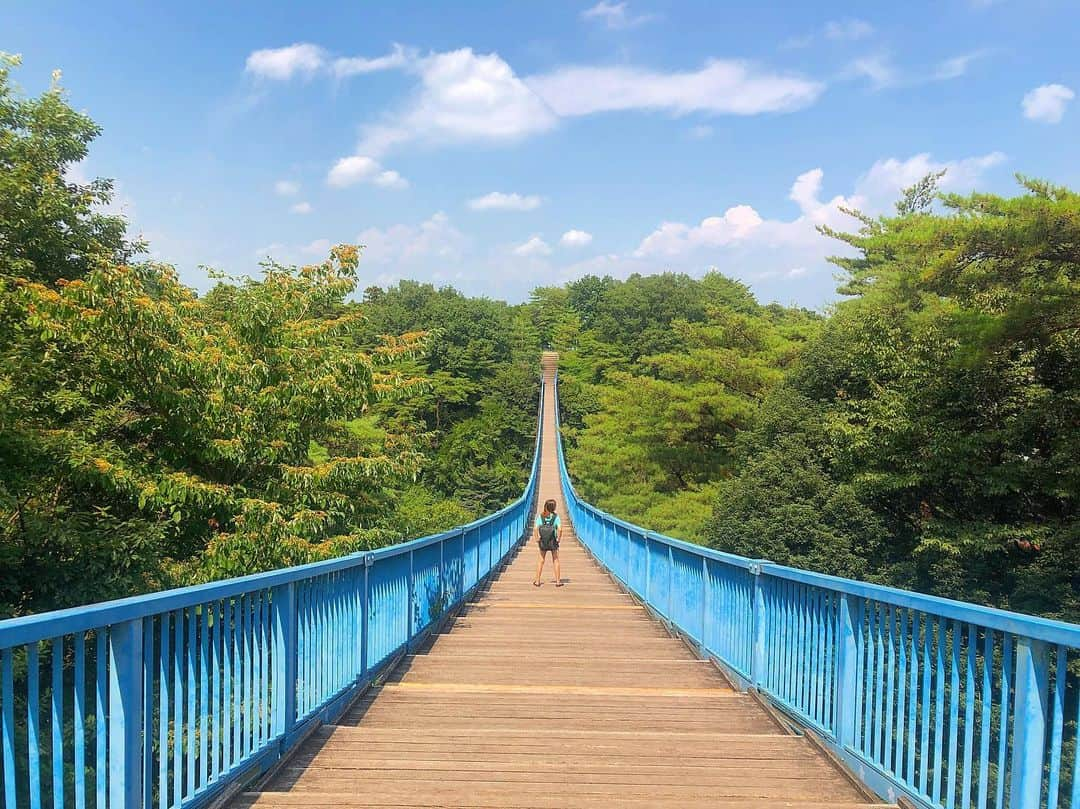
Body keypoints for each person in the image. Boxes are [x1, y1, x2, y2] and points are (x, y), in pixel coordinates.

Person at [533, 498, 563, 587]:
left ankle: (537, 581)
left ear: (545, 506)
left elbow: (535, 528)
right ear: (554, 508)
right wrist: (558, 539)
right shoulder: (556, 517)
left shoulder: (541, 516)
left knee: (541, 560)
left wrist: (537, 538)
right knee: (555, 560)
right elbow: (560, 529)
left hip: (543, 541)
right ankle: (558, 582)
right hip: (552, 540)